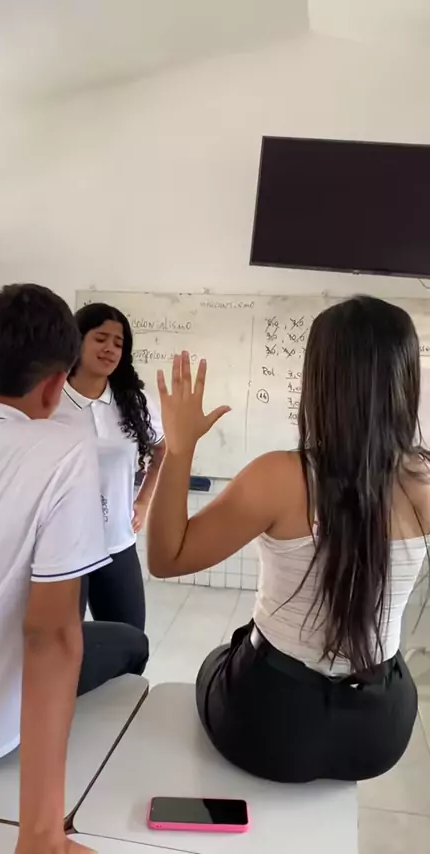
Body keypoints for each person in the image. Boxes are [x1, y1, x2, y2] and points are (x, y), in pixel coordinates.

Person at [146, 295, 428, 784]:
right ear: (406, 382)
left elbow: (166, 558)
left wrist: (179, 448)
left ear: (320, 380)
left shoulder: (278, 477)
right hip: (380, 731)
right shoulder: (424, 481)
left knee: (219, 659)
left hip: (270, 724)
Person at [0, 284, 148, 854]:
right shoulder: (60, 449)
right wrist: (40, 834)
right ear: (58, 384)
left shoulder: (121, 407)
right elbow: (52, 636)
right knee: (128, 641)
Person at [53, 303, 165, 631]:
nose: (110, 349)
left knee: (130, 639)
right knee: (61, 643)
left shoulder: (134, 401)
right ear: (77, 340)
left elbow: (163, 450)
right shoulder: (49, 398)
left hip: (116, 542)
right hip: (60, 547)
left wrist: (144, 500)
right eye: (101, 338)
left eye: (118, 343)